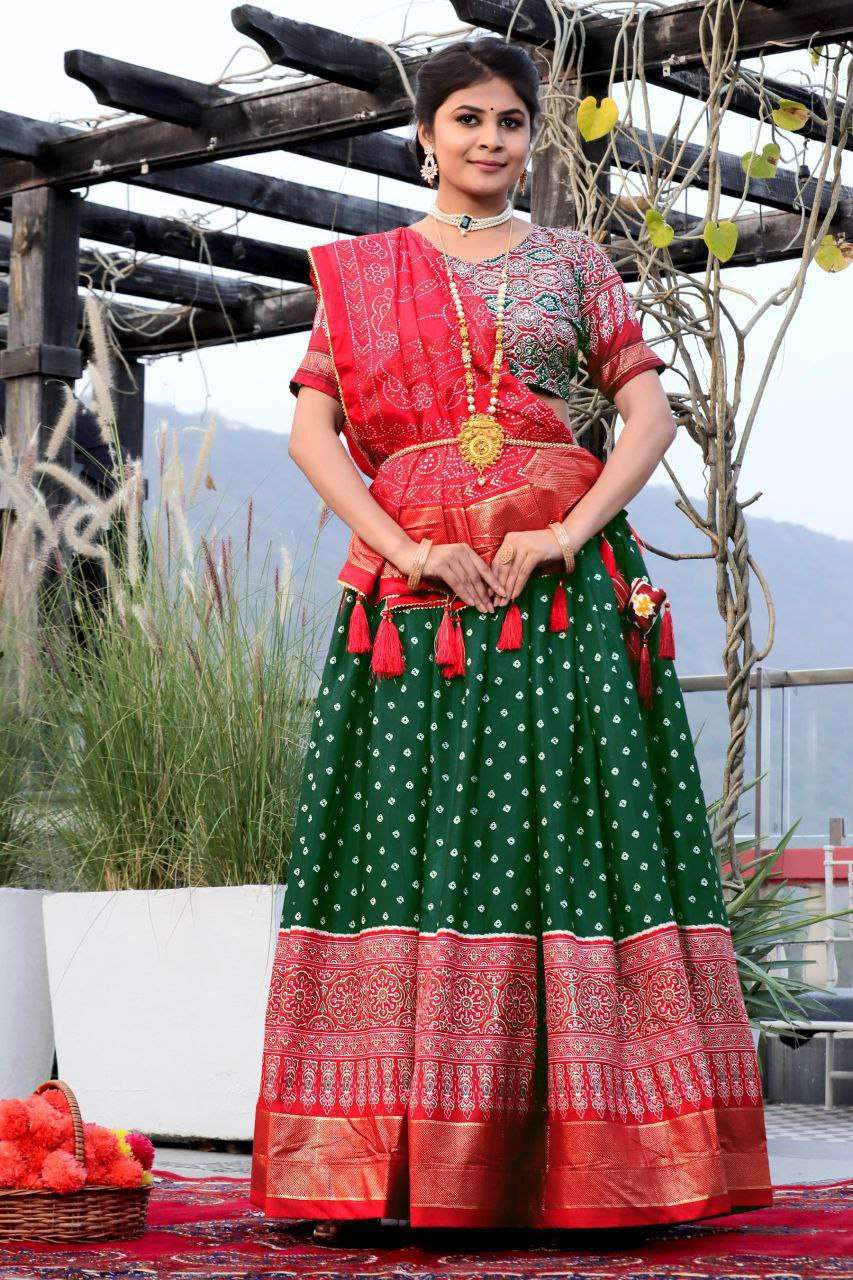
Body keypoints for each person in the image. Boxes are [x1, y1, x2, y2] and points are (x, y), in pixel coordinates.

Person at [250, 36, 774, 1243]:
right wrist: (407, 548)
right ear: (424, 134)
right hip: (414, 602)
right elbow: (313, 436)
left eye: (510, 122)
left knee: (567, 834)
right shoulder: (364, 270)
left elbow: (646, 416)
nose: (491, 140)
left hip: (562, 594)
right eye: (468, 119)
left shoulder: (574, 260)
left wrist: (565, 533)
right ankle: (381, 1166)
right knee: (403, 834)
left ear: (530, 138)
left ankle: (596, 1161)